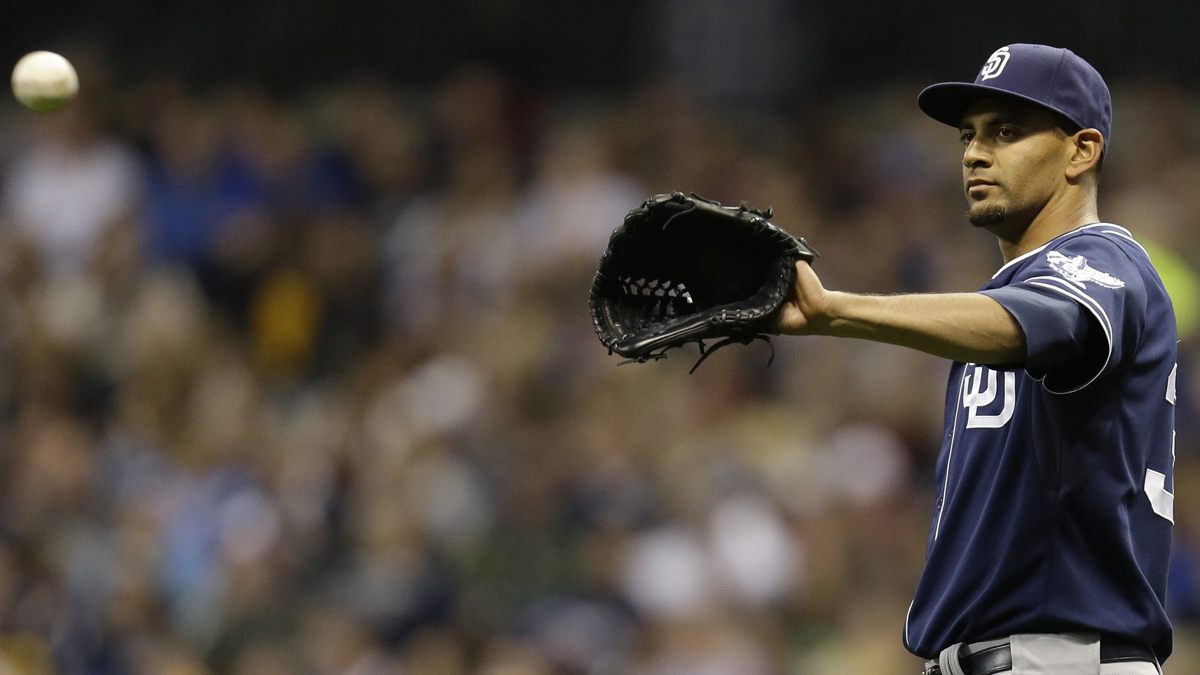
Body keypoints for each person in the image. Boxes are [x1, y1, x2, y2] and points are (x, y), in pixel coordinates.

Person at [779, 44, 1174, 675]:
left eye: (1008, 131)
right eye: (970, 134)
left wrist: (837, 311)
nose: (975, 152)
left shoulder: (1102, 261)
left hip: (1059, 659)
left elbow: (1049, 322)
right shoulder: (1009, 295)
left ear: (1082, 150)